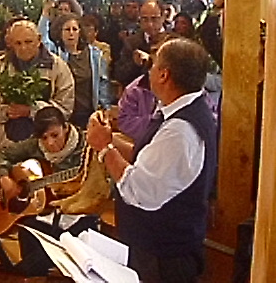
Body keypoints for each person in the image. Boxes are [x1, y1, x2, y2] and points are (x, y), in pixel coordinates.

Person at [87, 38, 217, 283]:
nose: (150, 69)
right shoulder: (180, 112)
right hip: (157, 252)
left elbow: (140, 190)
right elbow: (149, 156)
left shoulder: (180, 130)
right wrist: (111, 139)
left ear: (164, 75)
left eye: (154, 65)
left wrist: (104, 148)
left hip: (163, 259)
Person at [0, 106, 100, 280]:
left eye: (55, 135)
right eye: (44, 137)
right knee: (28, 230)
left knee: (63, 246)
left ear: (66, 127)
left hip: (78, 214)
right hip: (45, 213)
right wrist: (4, 177)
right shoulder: (35, 145)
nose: (49, 143)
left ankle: (21, 273)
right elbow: (1, 154)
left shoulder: (87, 147)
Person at [0, 20, 74, 150]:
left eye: (28, 42)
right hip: (6, 145)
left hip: (46, 147)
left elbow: (65, 109)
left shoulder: (58, 68)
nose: (23, 47)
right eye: (18, 43)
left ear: (39, 40)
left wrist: (32, 110)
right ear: (10, 43)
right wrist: (5, 111)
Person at [48, 13, 111, 129]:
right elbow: (42, 41)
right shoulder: (55, 55)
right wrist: (45, 14)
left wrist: (105, 109)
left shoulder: (95, 55)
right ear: (60, 32)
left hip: (88, 112)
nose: (71, 33)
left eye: (74, 29)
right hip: (64, 114)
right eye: (67, 29)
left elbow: (103, 83)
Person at [114, 0, 171, 87]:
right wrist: (135, 64)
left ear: (163, 17)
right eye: (145, 19)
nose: (149, 24)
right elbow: (119, 75)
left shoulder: (174, 41)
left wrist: (151, 61)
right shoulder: (131, 42)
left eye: (154, 19)